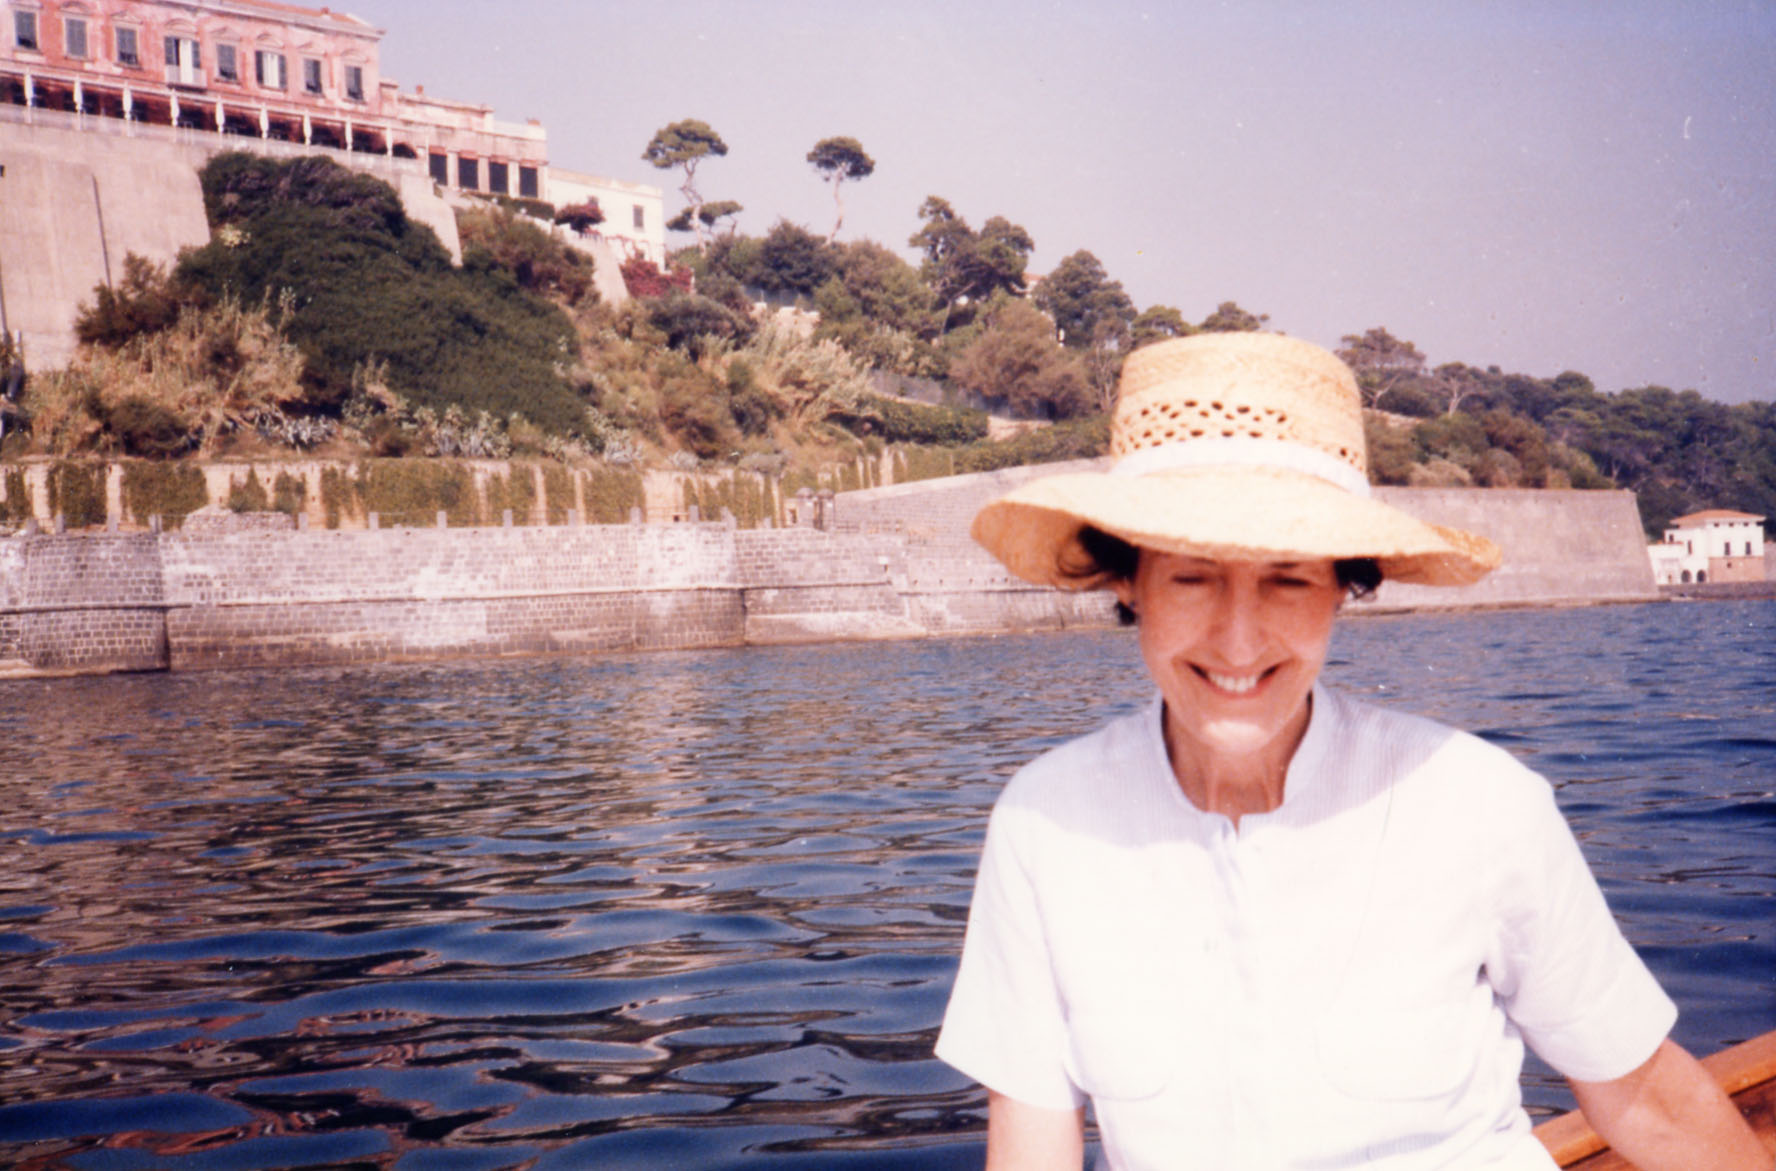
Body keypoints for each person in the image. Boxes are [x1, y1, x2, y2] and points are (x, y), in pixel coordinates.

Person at [935, 333, 1765, 1170]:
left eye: (1288, 578)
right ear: (1128, 579)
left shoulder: (1476, 802)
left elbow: (1651, 1104)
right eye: (1192, 575)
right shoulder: (1044, 824)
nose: (1238, 638)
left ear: (1344, 585)